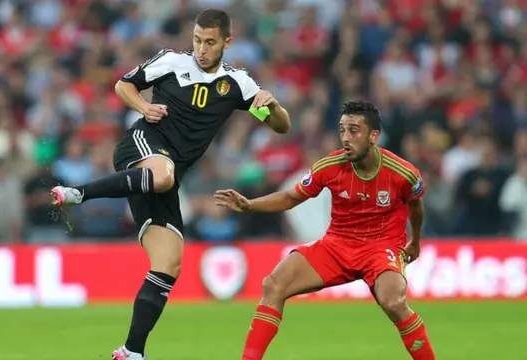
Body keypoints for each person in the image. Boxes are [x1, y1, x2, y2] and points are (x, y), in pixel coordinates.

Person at [50, 8, 291, 360]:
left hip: (163, 176)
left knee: (168, 263)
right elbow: (124, 84)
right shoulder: (171, 62)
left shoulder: (238, 85)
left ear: (227, 42)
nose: (201, 48)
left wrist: (274, 105)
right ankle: (78, 193)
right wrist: (143, 107)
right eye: (197, 39)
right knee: (164, 175)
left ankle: (132, 351)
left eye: (210, 42)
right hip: (143, 146)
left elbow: (280, 126)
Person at [214, 101, 436, 360]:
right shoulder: (329, 166)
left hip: (382, 246)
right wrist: (250, 204)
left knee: (394, 302)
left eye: (354, 130)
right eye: (342, 130)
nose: (346, 138)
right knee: (273, 284)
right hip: (337, 245)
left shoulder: (402, 173)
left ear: (374, 136)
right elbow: (290, 197)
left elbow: (416, 207)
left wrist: (415, 242)